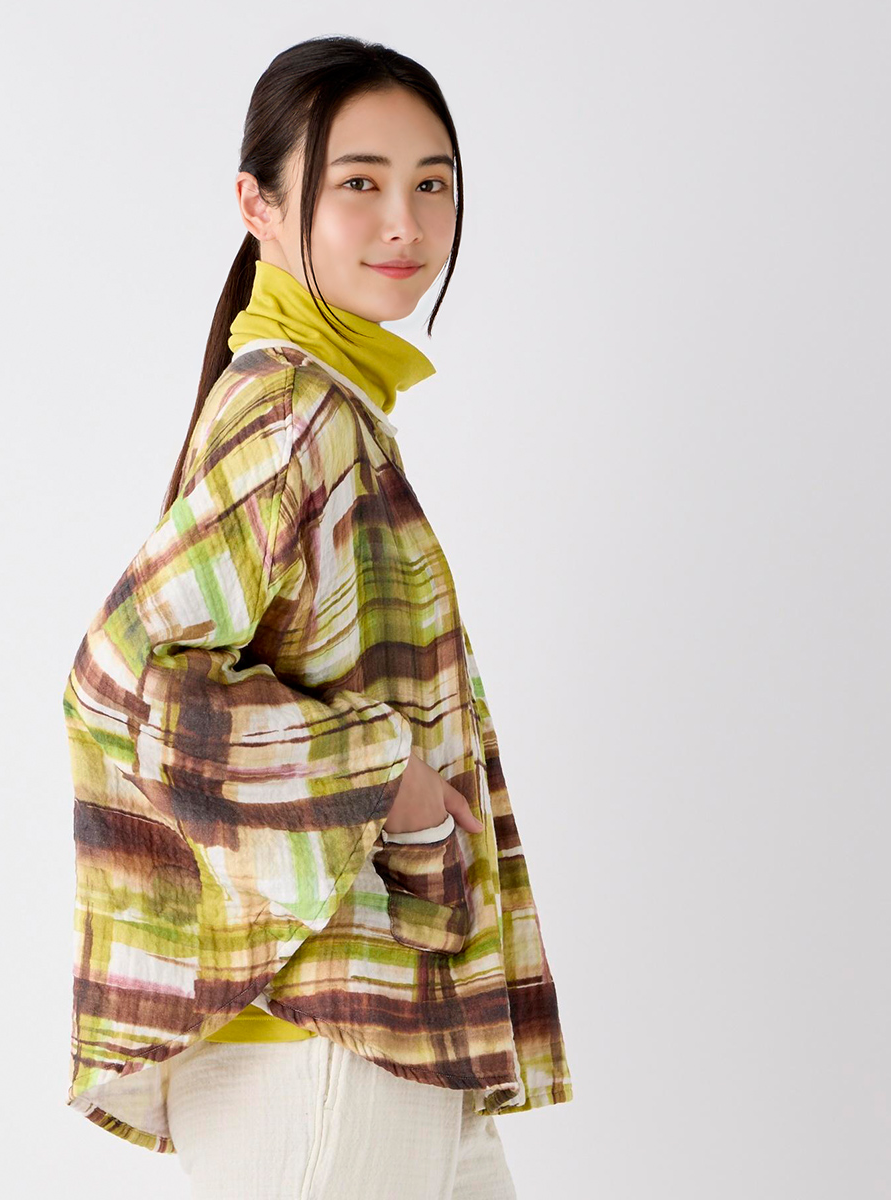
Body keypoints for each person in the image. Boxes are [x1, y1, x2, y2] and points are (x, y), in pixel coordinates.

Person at [61, 35, 572, 1199]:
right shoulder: (295, 409)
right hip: (321, 1043)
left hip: (382, 1031)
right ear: (259, 205)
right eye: (359, 182)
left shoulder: (331, 404)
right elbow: (123, 677)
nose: (405, 222)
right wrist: (388, 778)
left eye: (432, 182)